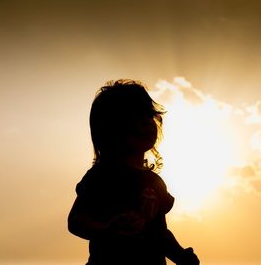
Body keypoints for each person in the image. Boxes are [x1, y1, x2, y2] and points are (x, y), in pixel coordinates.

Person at [68, 79, 200, 265]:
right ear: (111, 131)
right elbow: (76, 221)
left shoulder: (155, 182)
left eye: (147, 115)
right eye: (133, 119)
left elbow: (159, 232)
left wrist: (180, 255)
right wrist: (106, 229)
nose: (145, 123)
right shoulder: (103, 175)